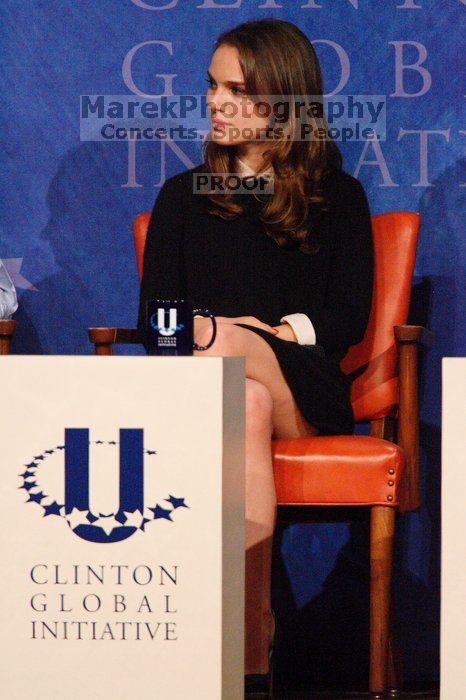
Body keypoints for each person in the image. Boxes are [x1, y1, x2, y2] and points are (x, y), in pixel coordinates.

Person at [137, 18, 374, 695]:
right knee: (240, 397)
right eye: (212, 86)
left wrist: (263, 335)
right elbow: (155, 325)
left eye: (238, 90)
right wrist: (221, 337)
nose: (217, 102)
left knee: (233, 347)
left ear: (285, 102)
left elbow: (347, 319)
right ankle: (249, 643)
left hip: (307, 395)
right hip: (216, 398)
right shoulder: (183, 198)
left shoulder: (338, 196)